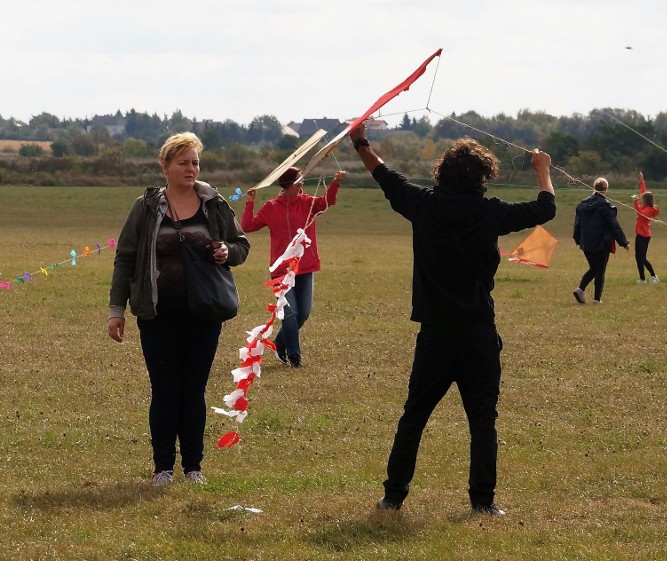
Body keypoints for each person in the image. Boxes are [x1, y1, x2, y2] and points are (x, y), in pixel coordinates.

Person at [349, 123, 556, 516]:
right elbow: (546, 208)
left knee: (414, 416)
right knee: (482, 420)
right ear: (483, 176)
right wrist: (542, 168)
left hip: (436, 335)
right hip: (478, 332)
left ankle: (393, 496)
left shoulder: (423, 205)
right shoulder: (491, 213)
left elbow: (384, 175)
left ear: (442, 171)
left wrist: (360, 140)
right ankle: (483, 503)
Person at [108, 132, 250, 486]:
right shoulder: (145, 207)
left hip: (203, 312)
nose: (191, 168)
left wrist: (226, 253)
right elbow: (125, 258)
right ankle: (162, 468)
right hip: (156, 313)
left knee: (193, 389)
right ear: (166, 166)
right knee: (165, 389)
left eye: (195, 162)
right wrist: (116, 309)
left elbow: (241, 245)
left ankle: (193, 466)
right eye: (183, 162)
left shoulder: (214, 205)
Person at [241, 167, 345, 367]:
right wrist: (250, 202)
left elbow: (327, 202)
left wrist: (335, 183)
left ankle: (279, 344)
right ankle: (294, 355)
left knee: (303, 313)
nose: (302, 184)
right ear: (289, 184)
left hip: (305, 268)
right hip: (281, 271)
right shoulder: (271, 207)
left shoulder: (307, 202)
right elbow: (248, 226)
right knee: (290, 313)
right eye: (299, 180)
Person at [572, 177, 630, 304]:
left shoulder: (582, 205)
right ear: (606, 189)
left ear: (594, 187)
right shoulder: (606, 206)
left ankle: (580, 289)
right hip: (601, 243)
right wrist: (624, 242)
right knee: (600, 270)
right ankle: (597, 299)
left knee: (593, 268)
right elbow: (614, 225)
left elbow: (577, 224)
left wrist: (577, 239)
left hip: (586, 242)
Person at [631, 171, 660, 284]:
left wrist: (635, 200)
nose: (641, 198)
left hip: (644, 236)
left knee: (642, 258)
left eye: (643, 198)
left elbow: (639, 212)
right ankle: (642, 279)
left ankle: (654, 276)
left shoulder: (648, 210)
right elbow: (643, 190)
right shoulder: (645, 205)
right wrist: (641, 180)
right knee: (637, 258)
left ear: (646, 200)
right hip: (639, 234)